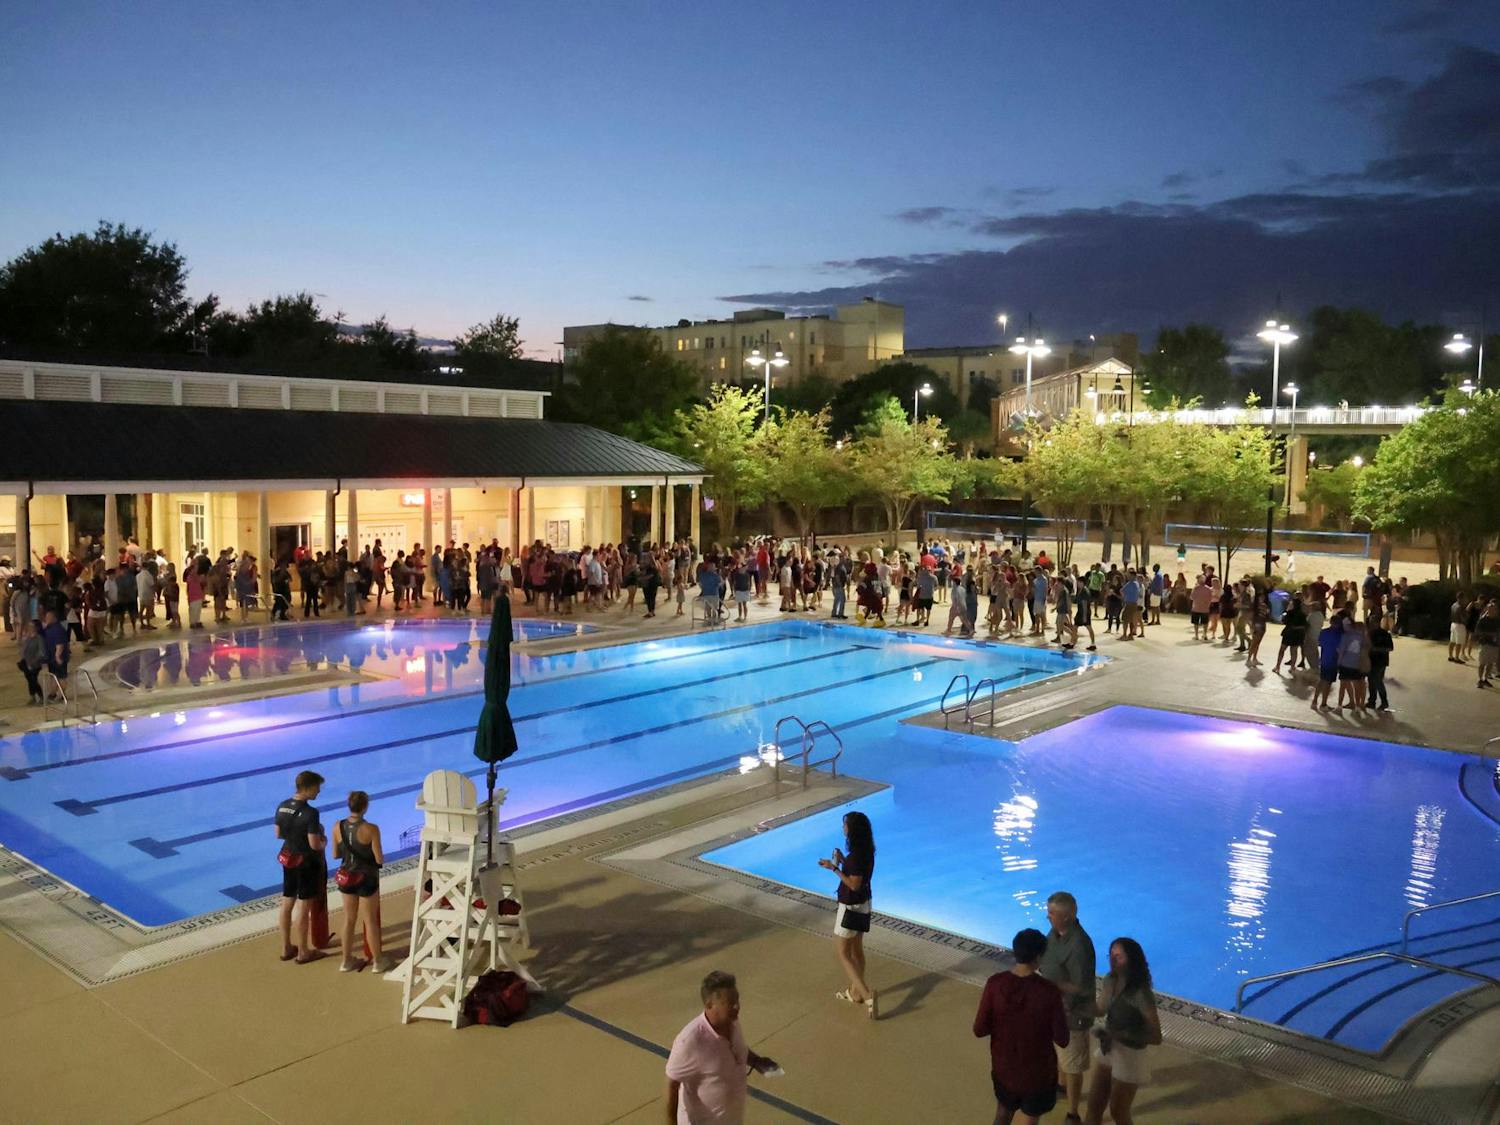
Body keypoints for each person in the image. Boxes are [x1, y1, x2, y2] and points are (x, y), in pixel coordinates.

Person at [973, 927, 1069, 1125]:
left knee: (1002, 1112)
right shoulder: (1048, 992)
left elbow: (979, 1029)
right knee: (1030, 1120)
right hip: (1038, 1074)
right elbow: (1062, 1038)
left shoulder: (995, 984)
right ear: (1039, 956)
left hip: (1004, 1066)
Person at [664, 971, 779, 1125]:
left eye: (737, 1000)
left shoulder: (732, 1022)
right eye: (731, 1003)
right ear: (710, 1005)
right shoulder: (690, 1041)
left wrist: (756, 1061)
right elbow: (672, 1086)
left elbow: (738, 1049)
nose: (737, 1006)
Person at [1084, 938, 1162, 1125]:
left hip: (1130, 1054)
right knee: (1094, 1104)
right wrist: (1079, 1002)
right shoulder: (1110, 980)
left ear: (1132, 960)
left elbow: (1156, 1036)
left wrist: (1118, 1035)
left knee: (1118, 1110)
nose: (1112, 960)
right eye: (1110, 955)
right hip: (1109, 1046)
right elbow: (1101, 1009)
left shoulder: (1140, 994)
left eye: (1118, 956)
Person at [1038, 893, 1096, 1123]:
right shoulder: (1053, 934)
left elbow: (1081, 986)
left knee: (1073, 1063)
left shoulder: (1080, 945)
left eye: (1052, 913)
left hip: (1073, 1014)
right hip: (1054, 1009)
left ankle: (1073, 1112)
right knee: (1059, 1053)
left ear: (1067, 917)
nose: (1047, 916)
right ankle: (1060, 1086)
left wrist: (1054, 987)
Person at [818, 810, 877, 1018]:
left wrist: (833, 868)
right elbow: (857, 873)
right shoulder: (867, 851)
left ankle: (866, 995)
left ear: (852, 830)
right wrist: (843, 861)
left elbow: (853, 883)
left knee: (844, 954)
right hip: (864, 905)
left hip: (850, 908)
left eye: (845, 825)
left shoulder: (857, 856)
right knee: (857, 951)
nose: (843, 827)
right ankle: (855, 993)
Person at [332, 790, 388, 973]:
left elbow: (335, 854)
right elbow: (379, 859)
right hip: (366, 878)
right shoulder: (371, 829)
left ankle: (346, 961)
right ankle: (378, 962)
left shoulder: (337, 826)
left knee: (348, 919)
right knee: (369, 920)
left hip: (346, 877)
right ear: (365, 807)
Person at [275, 770, 328, 964]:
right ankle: (303, 951)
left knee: (287, 902)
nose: (319, 791)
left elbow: (278, 833)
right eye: (317, 788)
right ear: (307, 787)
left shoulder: (282, 806)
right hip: (306, 862)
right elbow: (314, 844)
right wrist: (324, 842)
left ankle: (286, 947)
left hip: (288, 857)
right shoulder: (310, 812)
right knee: (304, 906)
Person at [17, 618, 47, 705]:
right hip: (26, 663)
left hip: (35, 664)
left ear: (36, 628)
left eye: (31, 626)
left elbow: (42, 652)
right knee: (29, 680)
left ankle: (41, 696)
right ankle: (32, 697)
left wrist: (32, 662)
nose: (29, 627)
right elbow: (23, 649)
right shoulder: (28, 637)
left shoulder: (39, 638)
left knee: (33, 680)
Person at [1369, 614, 1395, 708]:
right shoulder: (1370, 633)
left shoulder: (1384, 634)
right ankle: (1372, 701)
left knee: (1377, 681)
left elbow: (1390, 648)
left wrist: (1375, 649)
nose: (1371, 623)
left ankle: (1383, 702)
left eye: (1373, 621)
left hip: (1380, 661)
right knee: (1372, 681)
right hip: (1372, 661)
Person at [1474, 600, 1500, 689]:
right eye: (1491, 609)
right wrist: (1490, 634)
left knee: (1490, 663)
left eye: (1495, 609)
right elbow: (1477, 631)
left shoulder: (1497, 620)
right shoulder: (1483, 620)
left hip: (1494, 645)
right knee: (1482, 663)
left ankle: (1485, 679)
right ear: (1487, 610)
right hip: (1485, 644)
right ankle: (1480, 679)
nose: (1493, 611)